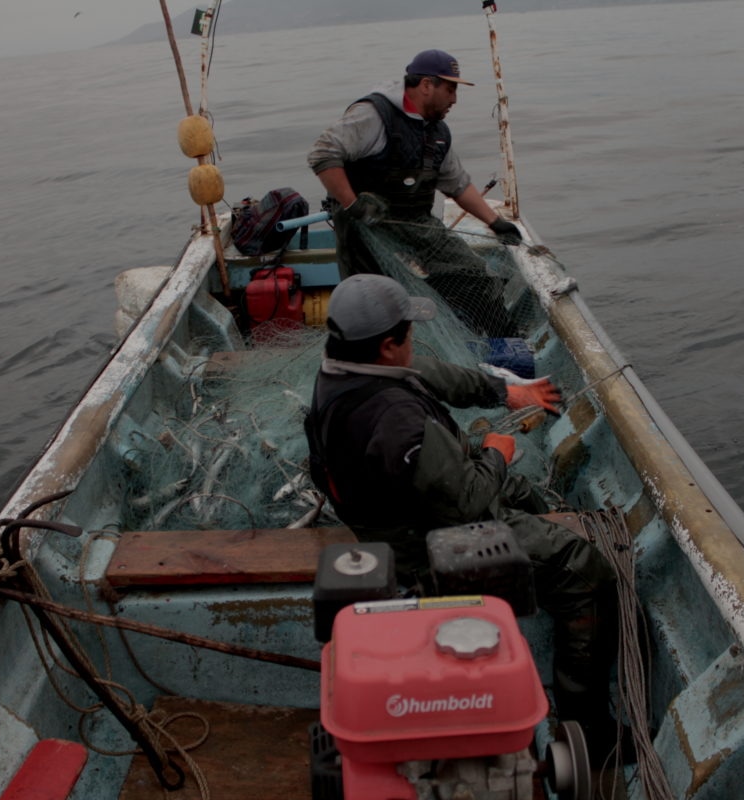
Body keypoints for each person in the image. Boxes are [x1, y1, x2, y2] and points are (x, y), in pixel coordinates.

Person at [304, 274, 621, 759]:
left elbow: (429, 373)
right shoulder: (397, 422)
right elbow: (468, 504)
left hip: (404, 502)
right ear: (389, 346)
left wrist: (505, 392)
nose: (415, 339)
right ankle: (590, 737)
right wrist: (496, 453)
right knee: (584, 568)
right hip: (422, 546)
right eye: (409, 332)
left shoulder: (344, 367)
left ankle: (539, 530)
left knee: (523, 495)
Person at [307, 49, 522, 336]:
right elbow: (323, 155)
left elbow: (457, 184)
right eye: (450, 89)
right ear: (426, 85)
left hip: (415, 223)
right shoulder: (373, 115)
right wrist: (352, 204)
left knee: (472, 274)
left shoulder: (437, 132)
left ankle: (495, 341)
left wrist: (495, 222)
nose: (455, 99)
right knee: (372, 301)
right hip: (364, 226)